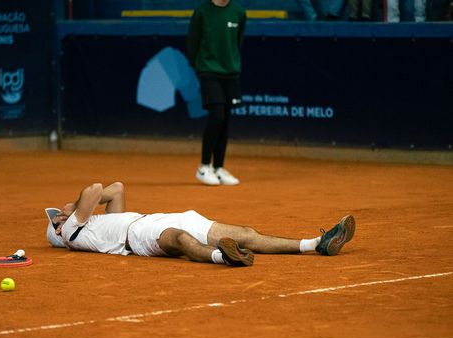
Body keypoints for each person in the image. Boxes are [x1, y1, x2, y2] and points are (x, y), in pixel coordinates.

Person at [45, 182, 357, 267]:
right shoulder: (73, 231)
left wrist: (72, 208)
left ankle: (316, 244)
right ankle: (223, 257)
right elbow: (95, 189)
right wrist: (70, 209)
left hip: (159, 218)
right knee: (179, 240)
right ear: (60, 228)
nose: (63, 210)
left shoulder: (95, 220)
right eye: (59, 215)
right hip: (138, 239)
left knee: (246, 233)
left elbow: (117, 188)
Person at [187, 0, 246, 186]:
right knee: (217, 115)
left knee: (226, 119)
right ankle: (204, 166)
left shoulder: (239, 12)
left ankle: (218, 168)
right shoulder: (201, 12)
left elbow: (238, 42)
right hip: (208, 72)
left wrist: (232, 64)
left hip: (231, 74)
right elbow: (192, 44)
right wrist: (201, 69)